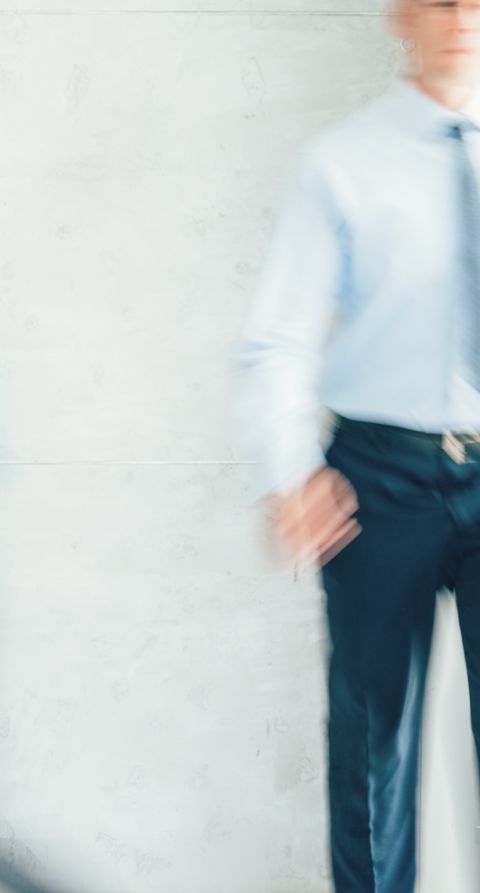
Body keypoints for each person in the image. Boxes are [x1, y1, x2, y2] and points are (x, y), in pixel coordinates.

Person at [236, 2, 480, 890]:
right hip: (379, 482)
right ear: (401, 15)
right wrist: (289, 470)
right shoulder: (341, 161)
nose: (462, 15)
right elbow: (281, 338)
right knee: (373, 751)